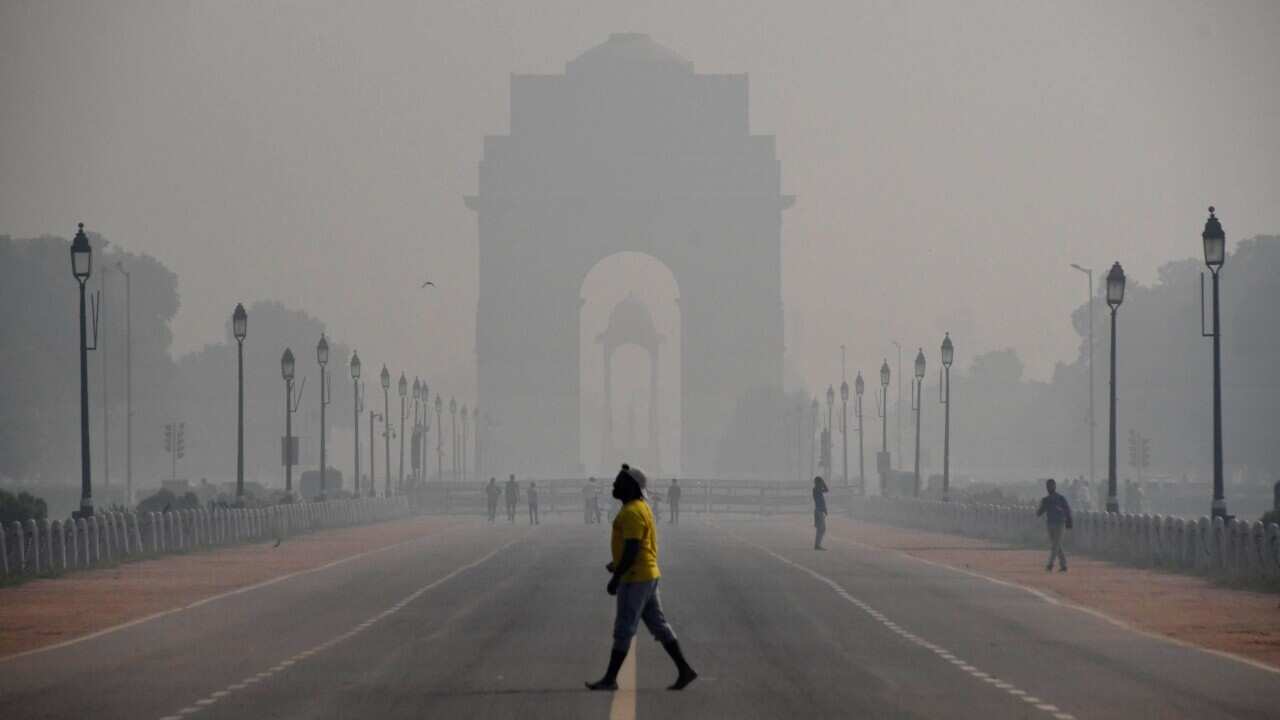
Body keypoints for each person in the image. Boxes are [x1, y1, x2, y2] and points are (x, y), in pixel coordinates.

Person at [586, 465, 697, 692]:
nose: (614, 486)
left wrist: (616, 577)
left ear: (631, 487)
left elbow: (633, 548)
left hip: (635, 577)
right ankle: (684, 669)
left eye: (619, 482)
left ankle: (610, 678)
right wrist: (617, 563)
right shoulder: (641, 507)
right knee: (659, 626)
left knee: (624, 627)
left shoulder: (631, 512)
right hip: (648, 574)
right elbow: (636, 546)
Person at [1035, 478, 1073, 572]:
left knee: (1055, 545)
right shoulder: (1046, 500)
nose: (1050, 487)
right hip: (1050, 524)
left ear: (1055, 486)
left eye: (1051, 485)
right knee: (1057, 545)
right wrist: (1041, 507)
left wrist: (1069, 520)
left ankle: (1050, 565)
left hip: (1060, 524)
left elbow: (1067, 510)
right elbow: (1039, 512)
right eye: (1048, 486)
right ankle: (1063, 565)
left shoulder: (1061, 498)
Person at [812, 476, 829, 550]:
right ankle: (817, 545)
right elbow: (826, 490)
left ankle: (817, 544)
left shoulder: (817, 489)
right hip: (819, 510)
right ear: (818, 483)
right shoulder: (816, 489)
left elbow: (827, 490)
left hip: (819, 510)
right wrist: (823, 483)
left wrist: (823, 482)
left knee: (821, 528)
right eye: (820, 482)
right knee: (821, 528)